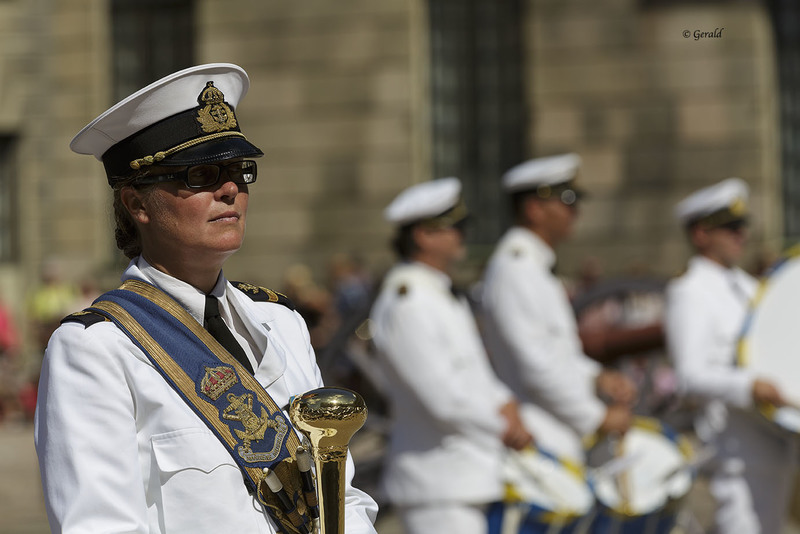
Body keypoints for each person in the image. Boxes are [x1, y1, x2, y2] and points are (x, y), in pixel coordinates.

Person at [34, 63, 378, 534]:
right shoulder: (96, 349)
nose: (231, 189)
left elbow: (341, 495)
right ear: (137, 204)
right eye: (201, 174)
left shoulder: (281, 322)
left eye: (239, 171)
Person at [369, 177, 533, 534]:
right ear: (424, 236)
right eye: (454, 227)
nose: (463, 236)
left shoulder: (437, 293)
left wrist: (504, 401)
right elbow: (442, 399)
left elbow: (473, 372)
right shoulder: (408, 302)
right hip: (438, 485)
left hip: (465, 477)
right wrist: (505, 426)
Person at [480, 154, 634, 464]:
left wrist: (596, 377)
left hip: (555, 430)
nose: (575, 212)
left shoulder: (533, 266)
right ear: (534, 209)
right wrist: (596, 417)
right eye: (567, 202)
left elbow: (556, 353)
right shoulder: (516, 269)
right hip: (537, 436)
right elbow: (537, 364)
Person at [665, 177, 796, 534]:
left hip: (776, 445)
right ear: (701, 234)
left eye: (742, 225)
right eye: (730, 227)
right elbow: (689, 375)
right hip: (736, 453)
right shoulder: (689, 292)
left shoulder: (749, 287)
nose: (742, 235)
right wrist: (749, 386)